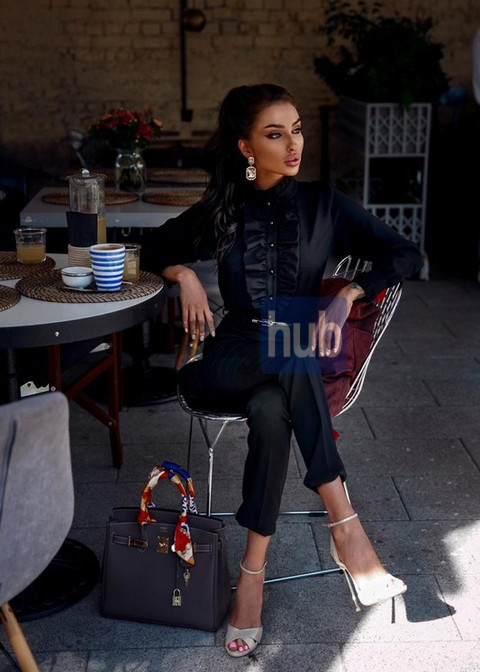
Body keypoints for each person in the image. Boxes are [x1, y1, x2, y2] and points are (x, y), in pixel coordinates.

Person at [143, 84, 423, 658]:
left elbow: (405, 254)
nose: (293, 144)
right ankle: (344, 524)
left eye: (296, 130)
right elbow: (152, 250)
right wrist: (184, 274)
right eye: (275, 134)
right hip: (228, 358)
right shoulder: (223, 209)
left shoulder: (323, 203)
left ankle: (252, 575)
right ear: (247, 147)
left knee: (273, 409)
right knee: (293, 350)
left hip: (288, 363)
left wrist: (349, 292)